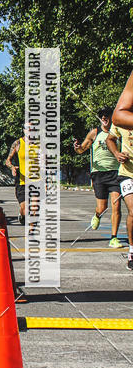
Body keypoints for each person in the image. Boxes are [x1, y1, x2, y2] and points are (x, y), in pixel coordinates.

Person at [73, 107, 123, 247]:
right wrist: (77, 147)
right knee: (102, 207)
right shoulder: (95, 133)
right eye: (101, 115)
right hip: (99, 174)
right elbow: (81, 150)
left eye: (107, 115)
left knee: (116, 205)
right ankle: (97, 215)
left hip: (115, 173)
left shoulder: (118, 132)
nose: (104, 117)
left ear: (112, 117)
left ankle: (114, 238)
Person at [107, 117, 133, 270]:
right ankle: (132, 251)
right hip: (127, 174)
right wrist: (116, 153)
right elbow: (110, 139)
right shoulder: (123, 118)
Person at [5, 126, 38, 225]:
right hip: (21, 180)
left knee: (34, 208)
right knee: (25, 208)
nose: (30, 130)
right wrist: (12, 167)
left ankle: (33, 232)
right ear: (24, 130)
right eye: (28, 128)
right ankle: (22, 215)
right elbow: (7, 160)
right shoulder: (17, 143)